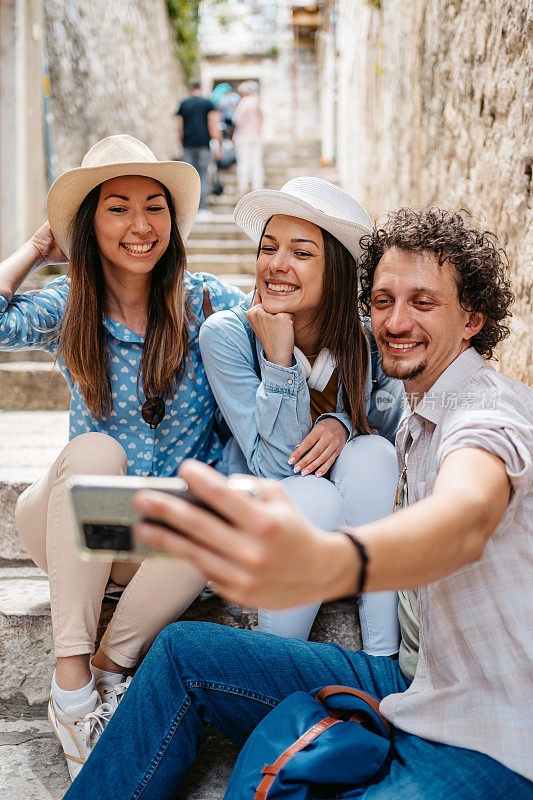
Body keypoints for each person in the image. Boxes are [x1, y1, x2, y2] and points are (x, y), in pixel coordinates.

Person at [63, 207, 533, 800]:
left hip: (486, 728)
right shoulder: (416, 414)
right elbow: (291, 456)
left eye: (423, 302)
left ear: (472, 320)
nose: (396, 320)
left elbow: (466, 516)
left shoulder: (487, 412)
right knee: (183, 653)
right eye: (383, 301)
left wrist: (333, 562)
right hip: (412, 680)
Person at [0, 134, 242, 779]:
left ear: (171, 218)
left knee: (217, 508)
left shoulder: (209, 303)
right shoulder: (67, 305)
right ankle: (72, 680)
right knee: (96, 450)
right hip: (72, 527)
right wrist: (36, 249)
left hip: (158, 549)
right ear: (89, 223)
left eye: (153, 207)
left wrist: (331, 416)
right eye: (118, 207)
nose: (140, 226)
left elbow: (312, 329)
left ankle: (104, 677)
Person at [199, 177, 404, 651]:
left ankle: (382, 658)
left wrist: (344, 420)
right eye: (268, 248)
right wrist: (279, 363)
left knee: (372, 452)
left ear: (336, 271)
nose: (277, 265)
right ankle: (277, 665)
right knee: (314, 496)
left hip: (349, 539)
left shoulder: (364, 341)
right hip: (266, 525)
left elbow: (392, 441)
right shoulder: (226, 335)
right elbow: (275, 466)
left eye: (301, 252)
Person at [175, 78, 222, 216]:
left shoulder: (183, 104)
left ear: (190, 89)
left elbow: (178, 127)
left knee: (188, 178)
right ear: (200, 88)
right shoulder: (208, 103)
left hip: (188, 145)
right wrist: (217, 143)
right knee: (203, 176)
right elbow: (213, 124)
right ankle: (202, 209)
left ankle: (189, 210)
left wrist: (182, 141)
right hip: (203, 145)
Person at [232, 81, 264, 198]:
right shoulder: (257, 102)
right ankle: (257, 187)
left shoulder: (243, 103)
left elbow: (236, 120)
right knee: (256, 162)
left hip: (243, 136)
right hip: (255, 135)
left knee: (244, 162)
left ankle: (243, 189)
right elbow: (261, 119)